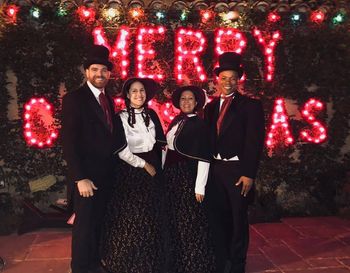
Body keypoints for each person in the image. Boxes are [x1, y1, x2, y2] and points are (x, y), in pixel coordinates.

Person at [61, 44, 126, 273]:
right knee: (84, 226)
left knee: (99, 222)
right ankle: (80, 268)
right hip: (86, 177)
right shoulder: (74, 99)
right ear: (86, 72)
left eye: (104, 70)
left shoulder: (108, 99)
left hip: (106, 175)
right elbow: (69, 141)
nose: (100, 74)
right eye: (95, 69)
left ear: (109, 73)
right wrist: (80, 178)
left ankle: (94, 263)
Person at [204, 52, 265, 273]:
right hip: (215, 170)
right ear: (217, 80)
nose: (227, 82)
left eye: (232, 78)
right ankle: (222, 262)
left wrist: (249, 173)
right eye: (223, 77)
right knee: (217, 218)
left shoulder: (250, 106)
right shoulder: (209, 108)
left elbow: (254, 142)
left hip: (237, 171)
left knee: (238, 221)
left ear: (238, 79)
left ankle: (238, 265)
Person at [100, 77, 166, 273]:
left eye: (142, 91)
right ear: (127, 95)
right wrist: (144, 165)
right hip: (131, 171)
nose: (139, 94)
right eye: (134, 91)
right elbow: (121, 150)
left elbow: (161, 145)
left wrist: (159, 169)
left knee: (152, 218)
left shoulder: (153, 114)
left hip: (153, 170)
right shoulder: (120, 117)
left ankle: (151, 262)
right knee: (132, 217)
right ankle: (127, 263)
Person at [163, 85, 215, 273]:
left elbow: (204, 157)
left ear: (196, 103)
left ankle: (193, 264)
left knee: (189, 221)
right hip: (171, 176)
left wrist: (199, 187)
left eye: (190, 99)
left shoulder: (200, 125)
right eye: (183, 98)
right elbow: (168, 148)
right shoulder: (177, 120)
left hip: (187, 177)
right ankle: (176, 261)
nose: (186, 102)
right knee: (174, 220)